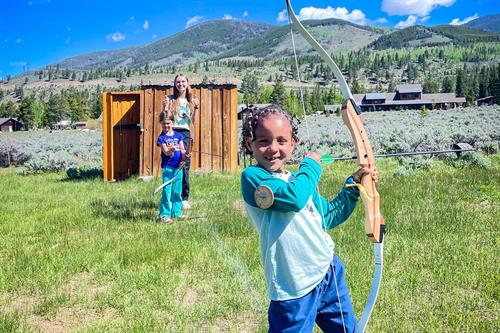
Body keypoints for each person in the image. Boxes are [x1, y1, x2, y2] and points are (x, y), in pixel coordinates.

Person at [240, 105, 378, 332]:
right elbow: (294, 198)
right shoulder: (254, 178)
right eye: (264, 141)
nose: (273, 148)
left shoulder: (298, 181)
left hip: (327, 271)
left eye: (281, 141)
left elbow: (328, 215)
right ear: (249, 144)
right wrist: (311, 165)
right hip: (292, 288)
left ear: (293, 143)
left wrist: (353, 185)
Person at [162, 74, 198, 210]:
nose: (181, 84)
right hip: (172, 132)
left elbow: (193, 121)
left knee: (185, 165)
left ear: (187, 83)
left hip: (185, 132)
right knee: (171, 163)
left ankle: (184, 198)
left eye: (183, 81)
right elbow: (165, 117)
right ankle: (170, 197)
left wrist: (196, 108)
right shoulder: (170, 99)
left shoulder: (191, 100)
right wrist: (165, 107)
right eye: (178, 82)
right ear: (175, 84)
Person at [157, 111, 185, 224]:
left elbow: (182, 149)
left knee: (177, 191)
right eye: (164, 124)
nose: (166, 126)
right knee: (167, 192)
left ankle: (176, 213)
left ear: (173, 123)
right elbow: (166, 152)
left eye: (168, 123)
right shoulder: (161, 138)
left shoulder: (178, 136)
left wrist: (185, 155)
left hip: (178, 168)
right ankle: (164, 215)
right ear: (161, 124)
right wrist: (171, 150)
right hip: (168, 169)